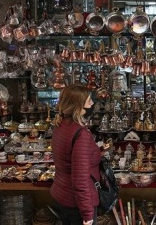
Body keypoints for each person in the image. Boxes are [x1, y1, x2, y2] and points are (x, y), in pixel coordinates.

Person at [50, 83, 100, 225]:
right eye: (89, 100)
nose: (92, 103)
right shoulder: (80, 134)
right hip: (76, 204)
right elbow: (80, 179)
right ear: (79, 106)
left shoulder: (60, 126)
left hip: (61, 195)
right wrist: (87, 214)